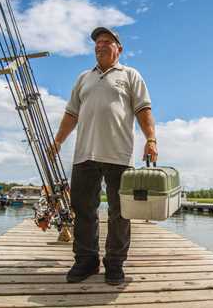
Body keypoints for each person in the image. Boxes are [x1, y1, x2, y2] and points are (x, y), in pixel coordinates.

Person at [51, 27, 157, 285]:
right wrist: (58, 140)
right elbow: (71, 114)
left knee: (120, 213)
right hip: (84, 155)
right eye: (97, 43)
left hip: (119, 155)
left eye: (106, 42)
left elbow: (144, 109)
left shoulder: (130, 75)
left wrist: (151, 139)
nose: (100, 46)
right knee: (83, 210)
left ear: (119, 49)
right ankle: (86, 261)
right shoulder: (83, 78)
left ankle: (115, 264)